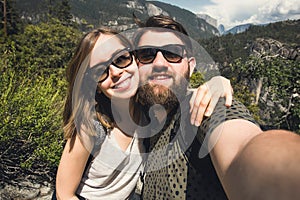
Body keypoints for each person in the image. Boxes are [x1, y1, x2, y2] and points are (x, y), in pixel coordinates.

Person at [54, 27, 234, 199]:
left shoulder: (148, 110)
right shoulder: (91, 126)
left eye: (121, 59)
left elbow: (180, 93)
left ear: (136, 60)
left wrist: (217, 83)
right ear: (95, 85)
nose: (116, 72)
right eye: (101, 71)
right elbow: (64, 193)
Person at [133, 15, 300, 200]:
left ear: (191, 65)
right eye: (146, 54)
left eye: (172, 53)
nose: (159, 64)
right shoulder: (142, 116)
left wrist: (282, 171)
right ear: (135, 65)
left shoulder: (204, 108)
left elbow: (243, 145)